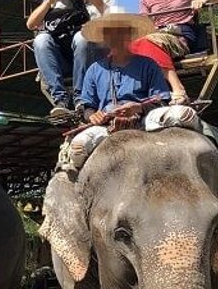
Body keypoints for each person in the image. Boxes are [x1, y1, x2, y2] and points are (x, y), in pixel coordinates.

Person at [65, 13, 171, 172]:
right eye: (110, 33)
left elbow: (162, 101)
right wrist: (93, 116)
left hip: (145, 120)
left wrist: (138, 108)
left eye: (120, 32)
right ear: (104, 38)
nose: (115, 37)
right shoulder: (94, 70)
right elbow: (87, 107)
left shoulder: (149, 65)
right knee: (77, 148)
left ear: (129, 34)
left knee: (179, 115)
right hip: (106, 126)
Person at [25, 0, 115, 121]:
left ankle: (81, 98)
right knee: (41, 39)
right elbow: (31, 24)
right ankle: (60, 100)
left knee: (81, 37)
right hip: (65, 60)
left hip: (94, 57)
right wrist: (48, 2)